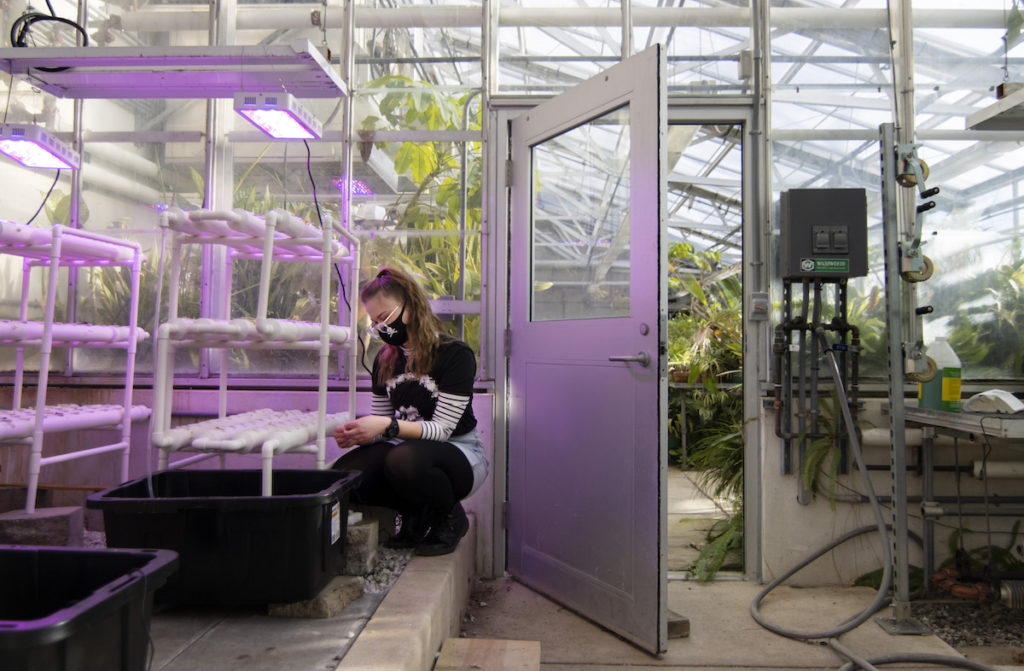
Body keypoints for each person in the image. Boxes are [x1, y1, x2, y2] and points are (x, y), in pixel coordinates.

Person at [331, 267, 488, 556]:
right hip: (406, 448)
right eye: (375, 323)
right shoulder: (385, 359)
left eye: (386, 318)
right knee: (345, 475)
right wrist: (361, 434)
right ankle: (414, 513)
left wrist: (386, 427)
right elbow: (382, 423)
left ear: (411, 307)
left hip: (459, 452)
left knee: (403, 458)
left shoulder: (455, 355)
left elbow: (441, 430)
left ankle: (450, 518)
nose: (381, 328)